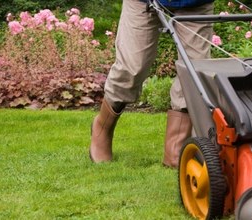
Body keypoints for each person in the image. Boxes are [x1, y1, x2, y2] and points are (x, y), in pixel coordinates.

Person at [89, 0, 214, 168]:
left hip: (195, 3)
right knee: (132, 67)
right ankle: (102, 127)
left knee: (194, 71)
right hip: (141, 2)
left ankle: (175, 149)